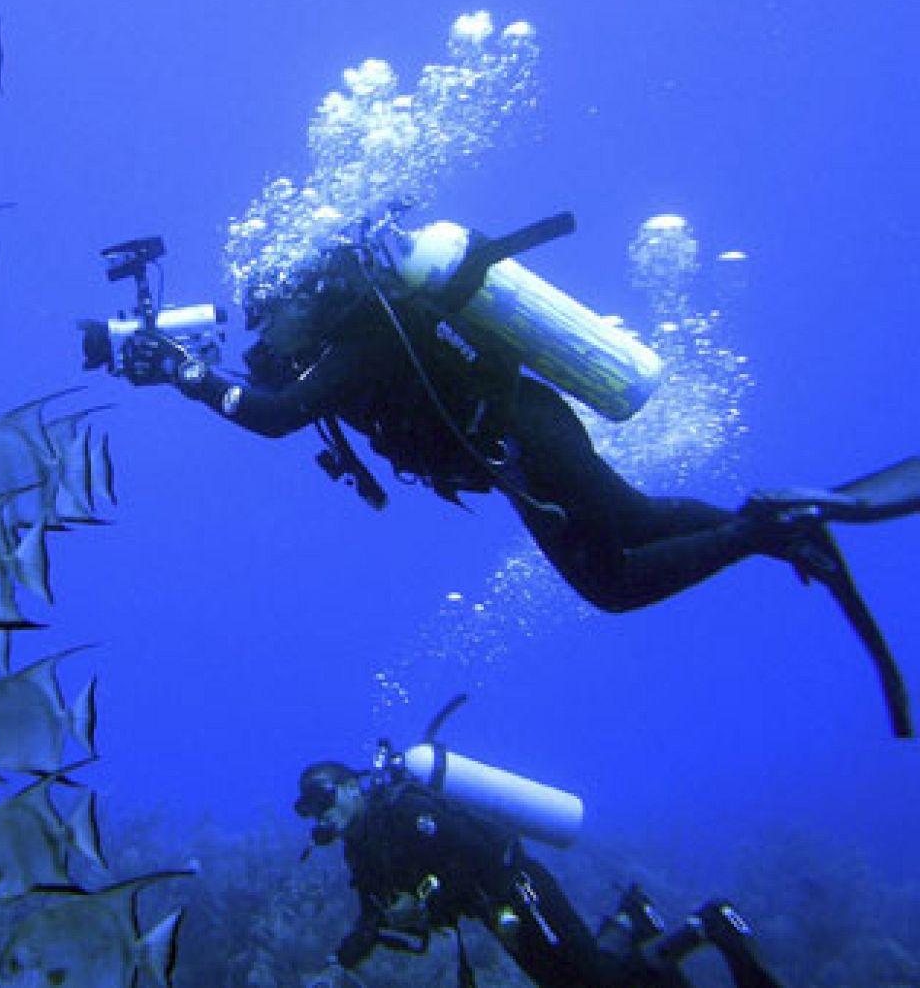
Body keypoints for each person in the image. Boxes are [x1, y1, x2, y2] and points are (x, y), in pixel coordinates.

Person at [114, 214, 920, 736]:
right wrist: (182, 362)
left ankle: (764, 527)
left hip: (521, 436)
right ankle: (773, 529)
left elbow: (275, 413)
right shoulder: (344, 340)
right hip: (515, 441)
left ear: (309, 296)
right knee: (633, 521)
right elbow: (265, 384)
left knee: (613, 582)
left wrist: (187, 379)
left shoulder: (365, 336)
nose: (266, 331)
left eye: (271, 311)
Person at [292, 759, 781, 987]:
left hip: (519, 890)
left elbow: (479, 856)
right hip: (496, 916)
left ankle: (710, 923)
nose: (320, 816)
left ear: (352, 786)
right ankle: (634, 920)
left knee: (597, 984)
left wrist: (422, 905)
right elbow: (372, 915)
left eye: (324, 799)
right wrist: (341, 960)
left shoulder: (407, 810)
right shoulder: (360, 852)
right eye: (310, 810)